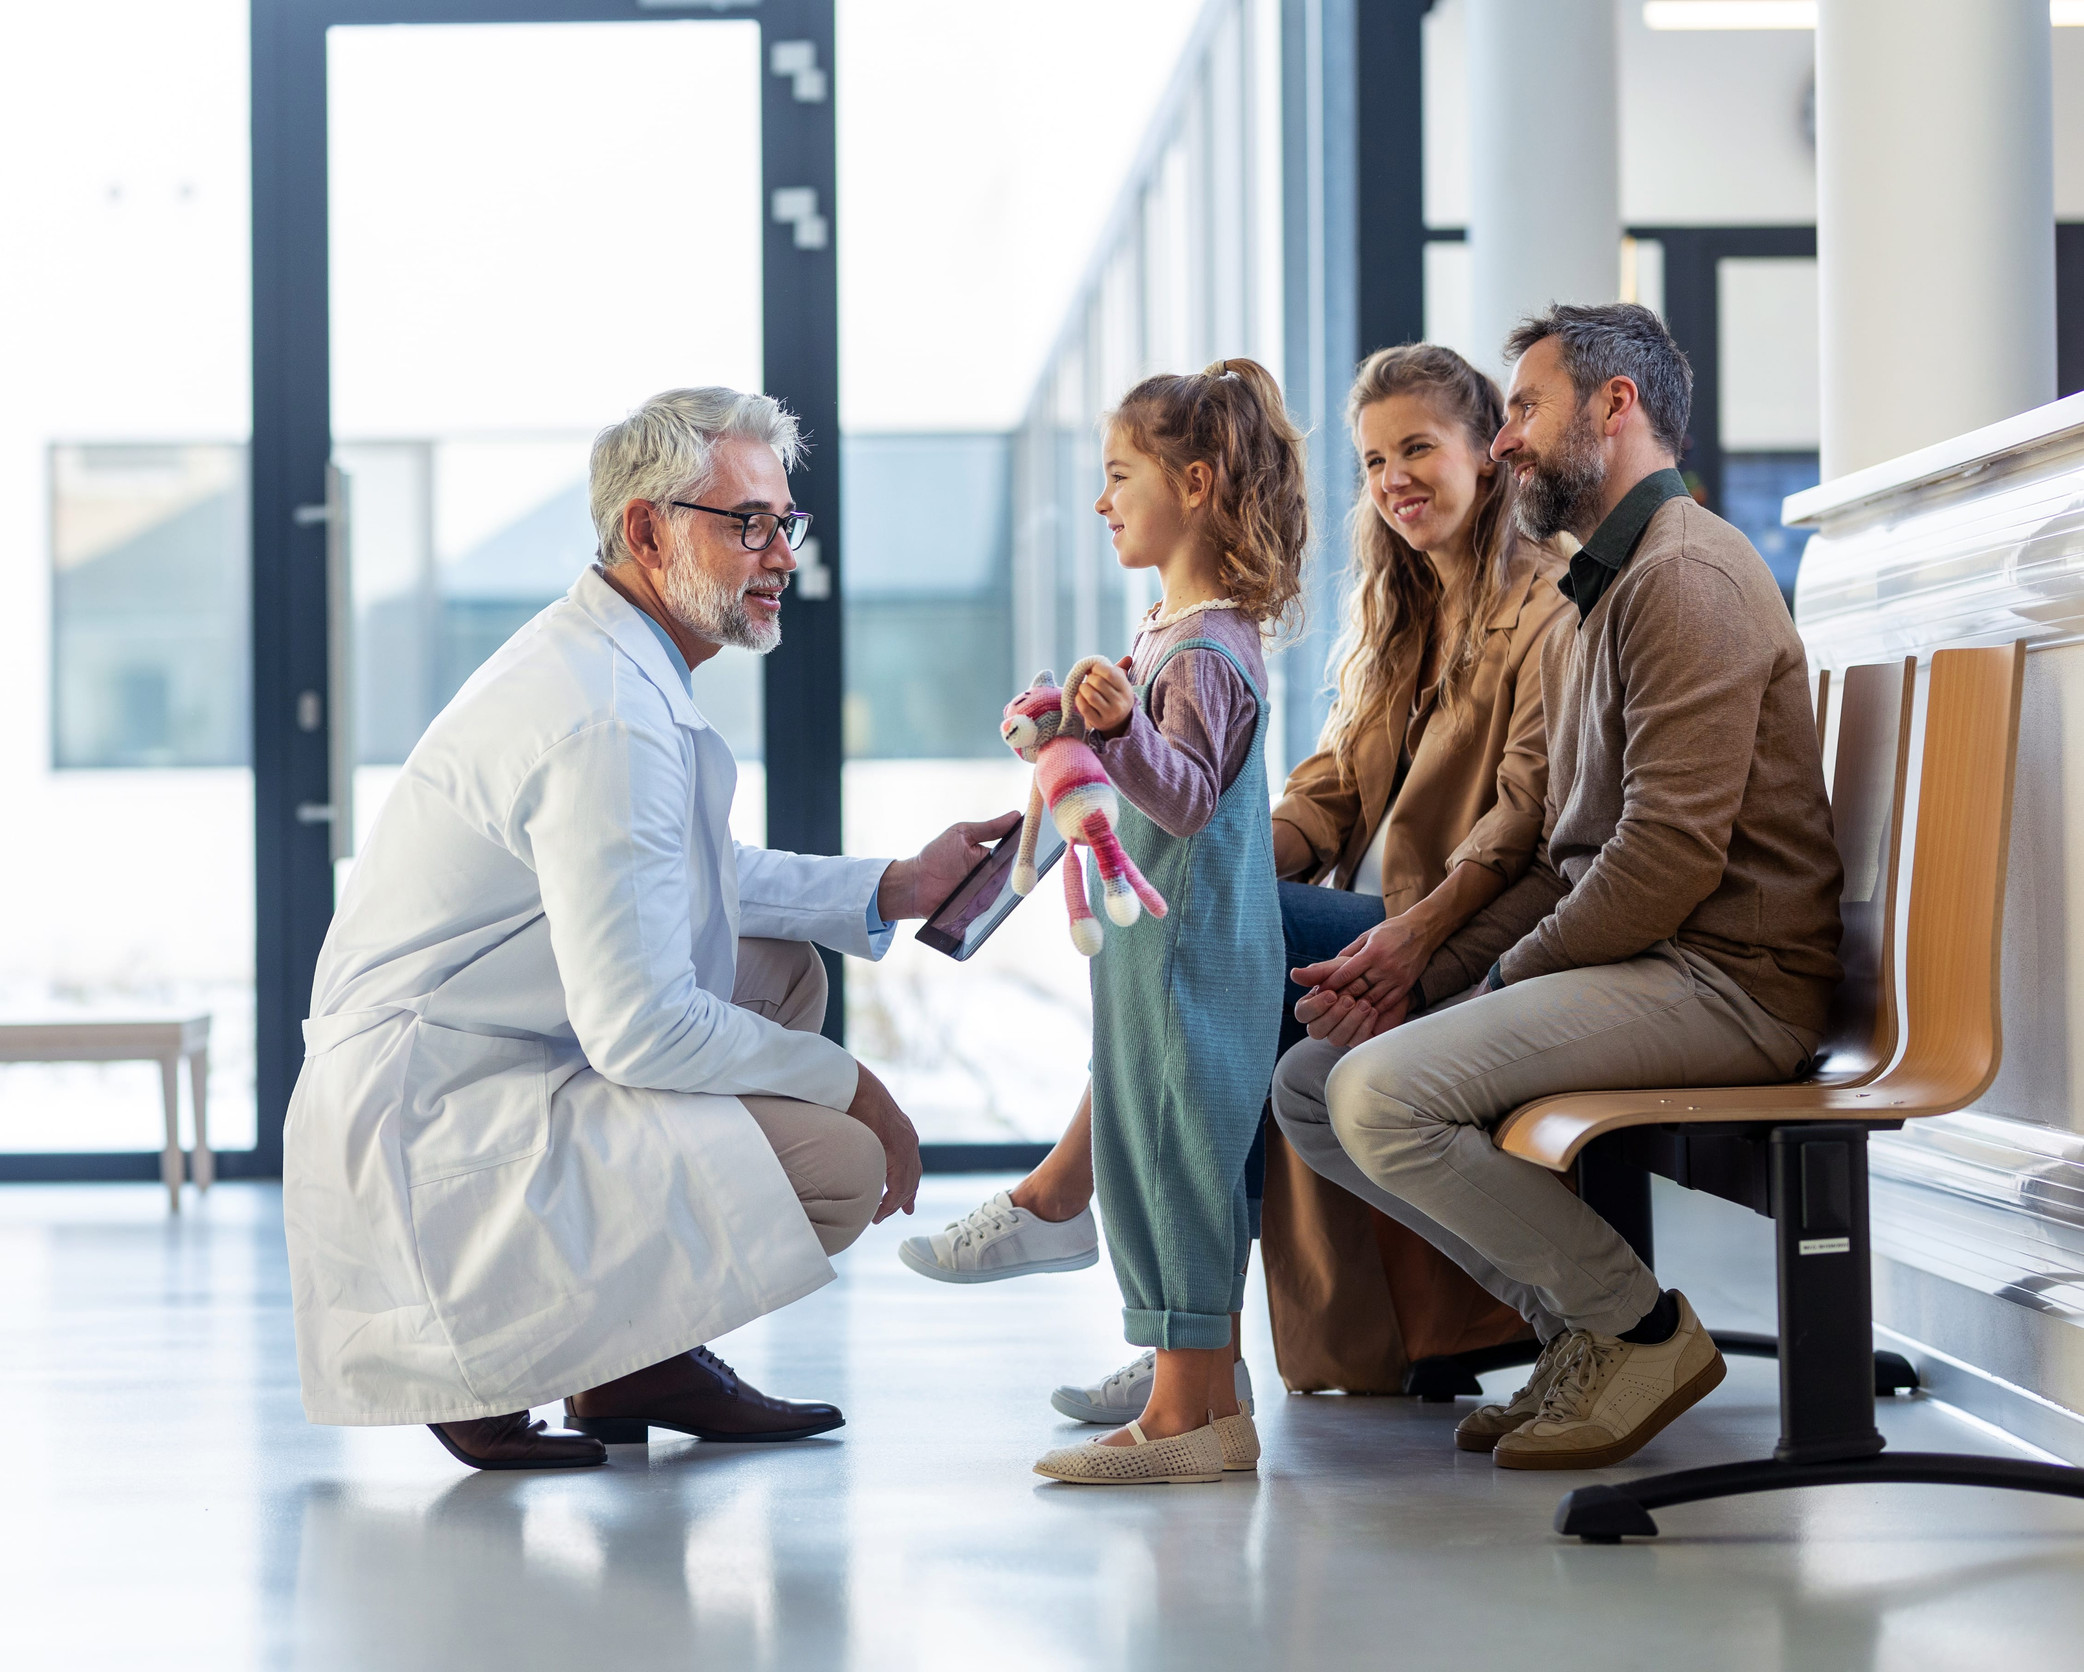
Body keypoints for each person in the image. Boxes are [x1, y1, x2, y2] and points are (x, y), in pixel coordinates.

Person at [282, 387, 1016, 1471]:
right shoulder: (602, 712)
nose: (780, 556)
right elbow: (637, 1029)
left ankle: (638, 1361)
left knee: (774, 973)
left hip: (501, 1059)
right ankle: (499, 1356)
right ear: (645, 528)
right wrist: (856, 1085)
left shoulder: (612, 660)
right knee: (843, 1164)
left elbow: (688, 877)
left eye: (786, 524)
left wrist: (897, 886)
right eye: (748, 525)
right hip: (438, 1120)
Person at [902, 344, 1573, 1409]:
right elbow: (1328, 795)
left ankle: (1132, 1273)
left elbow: (1522, 822)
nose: (1394, 478)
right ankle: (1186, 1338)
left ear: (1486, 459)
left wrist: (1390, 932)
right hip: (1395, 911)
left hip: (1479, 923)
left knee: (1205, 964)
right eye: (1374, 459)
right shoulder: (1402, 607)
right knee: (1198, 940)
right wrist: (1211, 860)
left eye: (1419, 450)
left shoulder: (1550, 604)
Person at [1273, 302, 1844, 1470]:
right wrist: (1436, 969)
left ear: (1616, 406)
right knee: (1309, 1088)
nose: (1510, 437)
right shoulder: (1609, 582)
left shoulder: (1684, 579)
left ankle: (1635, 1328)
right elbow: (1556, 835)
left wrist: (1488, 982)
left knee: (1376, 1095)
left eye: (1525, 406)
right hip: (1653, 961)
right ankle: (1572, 1331)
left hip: (1726, 981)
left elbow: (1661, 860)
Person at [1028, 358, 1303, 1485]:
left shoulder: (1204, 650)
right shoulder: (1176, 634)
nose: (1103, 502)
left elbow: (1183, 791)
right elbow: (1142, 771)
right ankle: (1189, 1392)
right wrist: (1073, 730)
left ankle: (1189, 1420)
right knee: (1153, 1155)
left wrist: (1121, 729)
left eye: (1118, 476)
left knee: (1180, 1161)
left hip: (1191, 960)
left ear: (1194, 484)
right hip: (1162, 958)